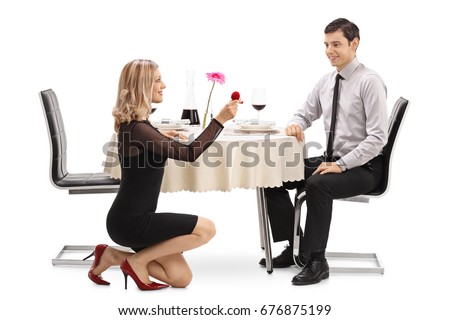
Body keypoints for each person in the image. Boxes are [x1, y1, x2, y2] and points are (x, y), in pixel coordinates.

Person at [84, 59, 240, 290]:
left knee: (181, 278)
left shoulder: (137, 126)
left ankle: (113, 256)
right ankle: (136, 261)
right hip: (132, 223)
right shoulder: (140, 129)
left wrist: (160, 134)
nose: (163, 84)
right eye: (157, 80)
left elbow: (146, 138)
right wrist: (220, 120)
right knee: (207, 229)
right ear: (142, 86)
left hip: (132, 220)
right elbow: (190, 153)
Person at [259, 18, 388, 285]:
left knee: (318, 184)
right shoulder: (326, 81)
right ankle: (296, 248)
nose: (330, 50)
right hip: (332, 159)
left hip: (365, 167)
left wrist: (342, 165)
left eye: (337, 44)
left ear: (355, 43)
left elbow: (377, 139)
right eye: (327, 44)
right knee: (271, 175)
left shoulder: (370, 82)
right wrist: (296, 123)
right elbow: (305, 112)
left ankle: (317, 260)